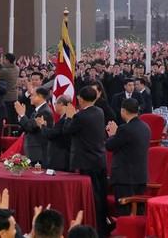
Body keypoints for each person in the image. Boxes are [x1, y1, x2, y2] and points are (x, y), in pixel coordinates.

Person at [63, 87, 108, 237]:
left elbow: (67, 131)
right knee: (100, 197)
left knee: (92, 199)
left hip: (86, 162)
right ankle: (102, 229)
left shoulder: (81, 116)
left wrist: (69, 116)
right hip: (100, 159)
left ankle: (93, 229)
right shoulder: (99, 112)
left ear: (81, 99)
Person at [106, 98, 150, 216]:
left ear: (123, 111)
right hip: (141, 177)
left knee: (124, 212)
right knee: (139, 212)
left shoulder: (125, 129)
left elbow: (110, 145)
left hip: (125, 178)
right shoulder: (146, 127)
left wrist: (113, 134)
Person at [15, 87, 54, 166]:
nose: (30, 97)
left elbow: (31, 128)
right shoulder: (37, 110)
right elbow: (26, 128)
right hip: (33, 152)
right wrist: (21, 116)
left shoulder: (45, 111)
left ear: (40, 96)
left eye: (32, 95)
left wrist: (22, 115)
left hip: (38, 152)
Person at [39, 95, 72, 172]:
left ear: (60, 104)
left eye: (55, 103)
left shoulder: (65, 119)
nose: (55, 106)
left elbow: (51, 135)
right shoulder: (65, 118)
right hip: (62, 158)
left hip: (60, 159)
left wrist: (42, 125)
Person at [0, 53, 20, 126]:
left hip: (7, 98)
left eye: (4, 59)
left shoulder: (4, 71)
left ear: (7, 60)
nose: (3, 60)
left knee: (7, 118)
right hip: (14, 96)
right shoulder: (16, 68)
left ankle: (8, 132)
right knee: (13, 117)